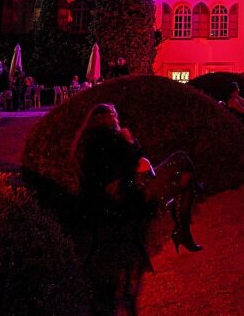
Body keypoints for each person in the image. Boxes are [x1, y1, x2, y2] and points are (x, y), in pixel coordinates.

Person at [72, 103, 203, 311]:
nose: (117, 117)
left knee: (184, 175)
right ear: (106, 118)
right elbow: (140, 162)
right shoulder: (113, 140)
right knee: (182, 163)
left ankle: (182, 225)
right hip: (126, 203)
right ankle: (182, 228)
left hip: (103, 204)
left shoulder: (85, 143)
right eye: (113, 115)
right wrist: (128, 139)